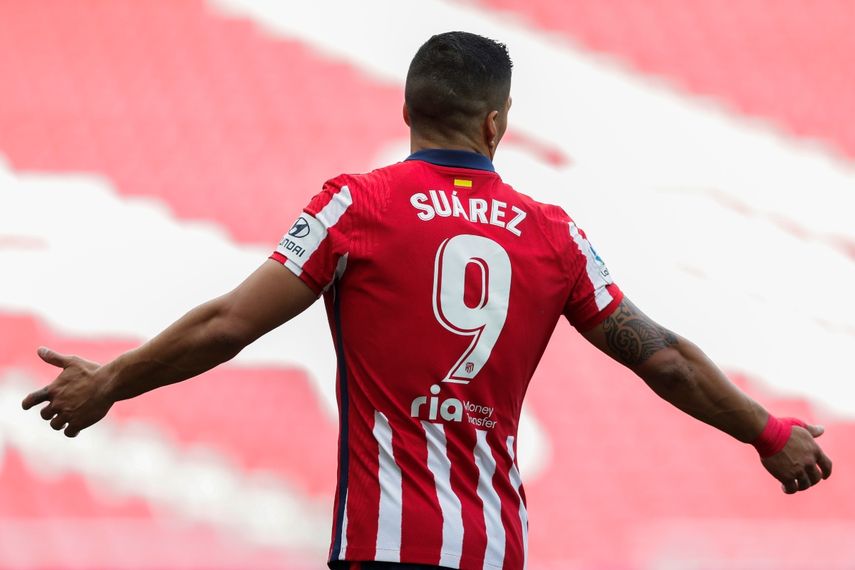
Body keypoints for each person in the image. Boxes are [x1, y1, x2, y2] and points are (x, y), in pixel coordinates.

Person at [22, 31, 832, 570]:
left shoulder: (357, 206)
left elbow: (228, 322)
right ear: (496, 123)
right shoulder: (552, 236)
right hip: (492, 550)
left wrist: (111, 384)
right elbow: (664, 359)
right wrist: (765, 432)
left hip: (382, 548)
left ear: (406, 109)